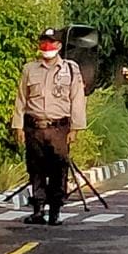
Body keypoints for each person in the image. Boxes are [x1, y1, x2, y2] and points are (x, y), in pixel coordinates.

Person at [11, 29, 87, 226]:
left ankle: (55, 211)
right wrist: (18, 126)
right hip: (34, 127)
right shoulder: (30, 69)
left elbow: (77, 100)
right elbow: (21, 99)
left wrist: (75, 129)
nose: (47, 46)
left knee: (58, 169)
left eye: (51, 43)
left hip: (59, 128)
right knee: (35, 168)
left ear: (59, 46)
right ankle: (38, 209)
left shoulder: (70, 69)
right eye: (44, 42)